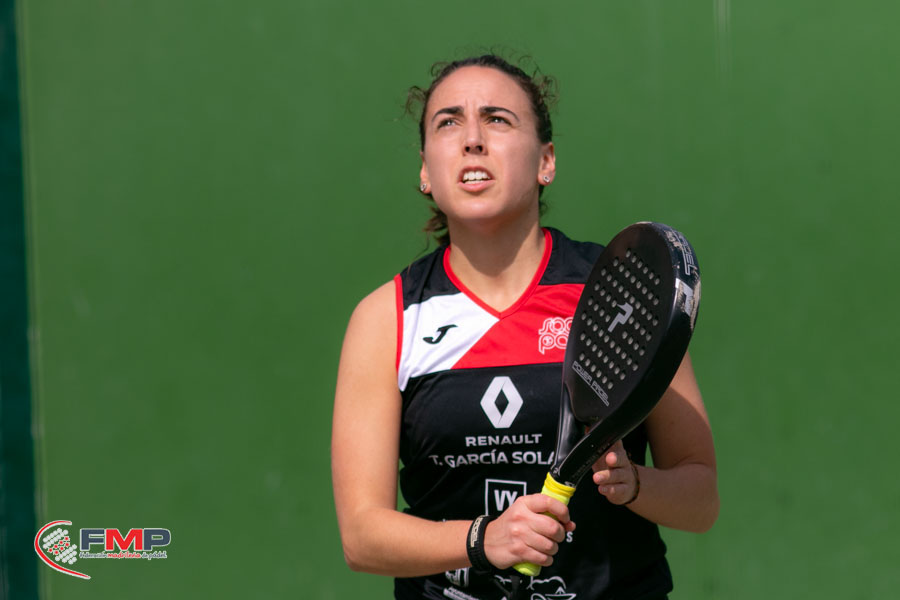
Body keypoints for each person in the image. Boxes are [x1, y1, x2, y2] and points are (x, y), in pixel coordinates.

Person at [331, 54, 718, 600]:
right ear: (425, 171)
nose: (472, 140)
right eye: (448, 122)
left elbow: (700, 498)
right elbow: (362, 537)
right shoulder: (386, 319)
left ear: (546, 161)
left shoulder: (619, 295)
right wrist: (483, 540)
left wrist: (637, 485)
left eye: (497, 119)